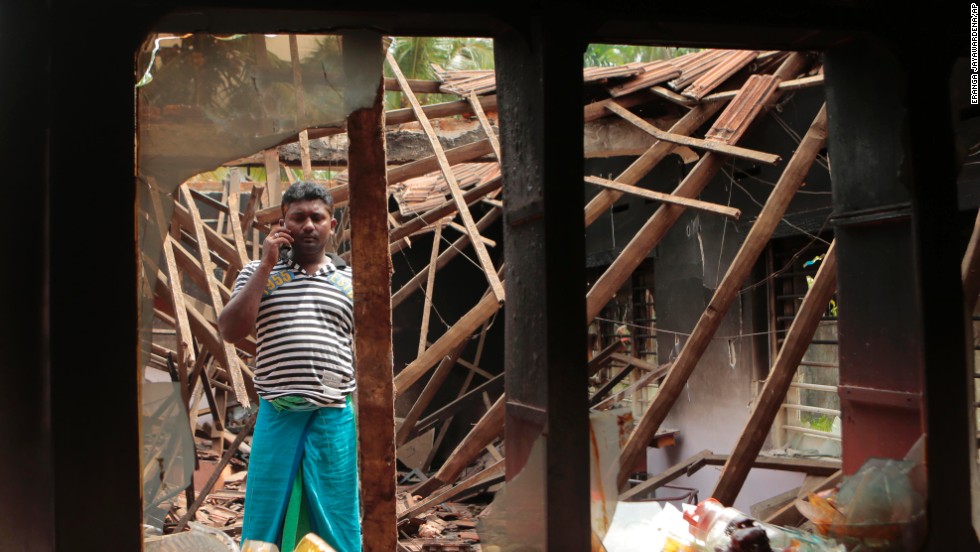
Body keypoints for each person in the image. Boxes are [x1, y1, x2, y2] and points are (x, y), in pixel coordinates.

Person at [218, 181, 359, 552]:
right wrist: (267, 264)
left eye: (318, 217)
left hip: (332, 414)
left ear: (332, 224)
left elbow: (373, 346)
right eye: (298, 218)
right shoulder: (256, 273)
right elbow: (231, 330)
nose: (308, 225)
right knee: (266, 514)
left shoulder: (351, 282)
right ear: (283, 224)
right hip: (278, 413)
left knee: (336, 514)